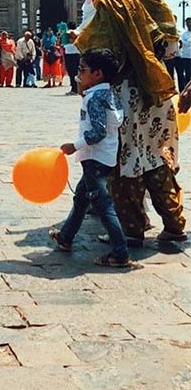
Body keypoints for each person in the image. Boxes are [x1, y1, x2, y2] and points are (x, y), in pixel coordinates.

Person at [74, 0, 186, 243]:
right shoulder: (156, 4)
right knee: (156, 157)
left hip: (125, 94)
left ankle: (133, 228)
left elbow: (98, 49)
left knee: (125, 161)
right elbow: (172, 49)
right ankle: (175, 226)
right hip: (156, 91)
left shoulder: (114, 1)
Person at [49, 49, 138, 268]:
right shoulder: (109, 93)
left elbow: (97, 132)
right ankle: (66, 237)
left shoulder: (94, 99)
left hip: (94, 158)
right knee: (81, 198)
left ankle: (120, 252)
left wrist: (74, 146)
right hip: (105, 155)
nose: (78, 73)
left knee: (104, 205)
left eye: (82, 70)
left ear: (97, 74)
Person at [63, 20, 81, 95]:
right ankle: (78, 88)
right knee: (78, 71)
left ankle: (74, 89)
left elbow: (63, 43)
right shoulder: (79, 33)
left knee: (71, 72)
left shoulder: (66, 33)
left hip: (69, 54)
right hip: (77, 53)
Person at [178, 17, 191, 91]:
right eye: (187, 23)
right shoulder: (183, 34)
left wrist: (188, 42)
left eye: (190, 22)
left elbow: (187, 43)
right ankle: (186, 92)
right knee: (187, 76)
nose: (189, 24)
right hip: (186, 57)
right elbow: (184, 44)